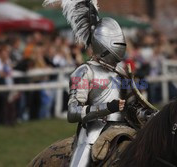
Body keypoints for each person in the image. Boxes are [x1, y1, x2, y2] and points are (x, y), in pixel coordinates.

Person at [43, 0, 155, 166]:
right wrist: (107, 108)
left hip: (125, 129)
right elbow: (73, 112)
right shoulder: (84, 72)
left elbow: (132, 106)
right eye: (116, 42)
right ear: (102, 42)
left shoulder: (121, 72)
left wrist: (148, 115)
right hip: (91, 134)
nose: (121, 46)